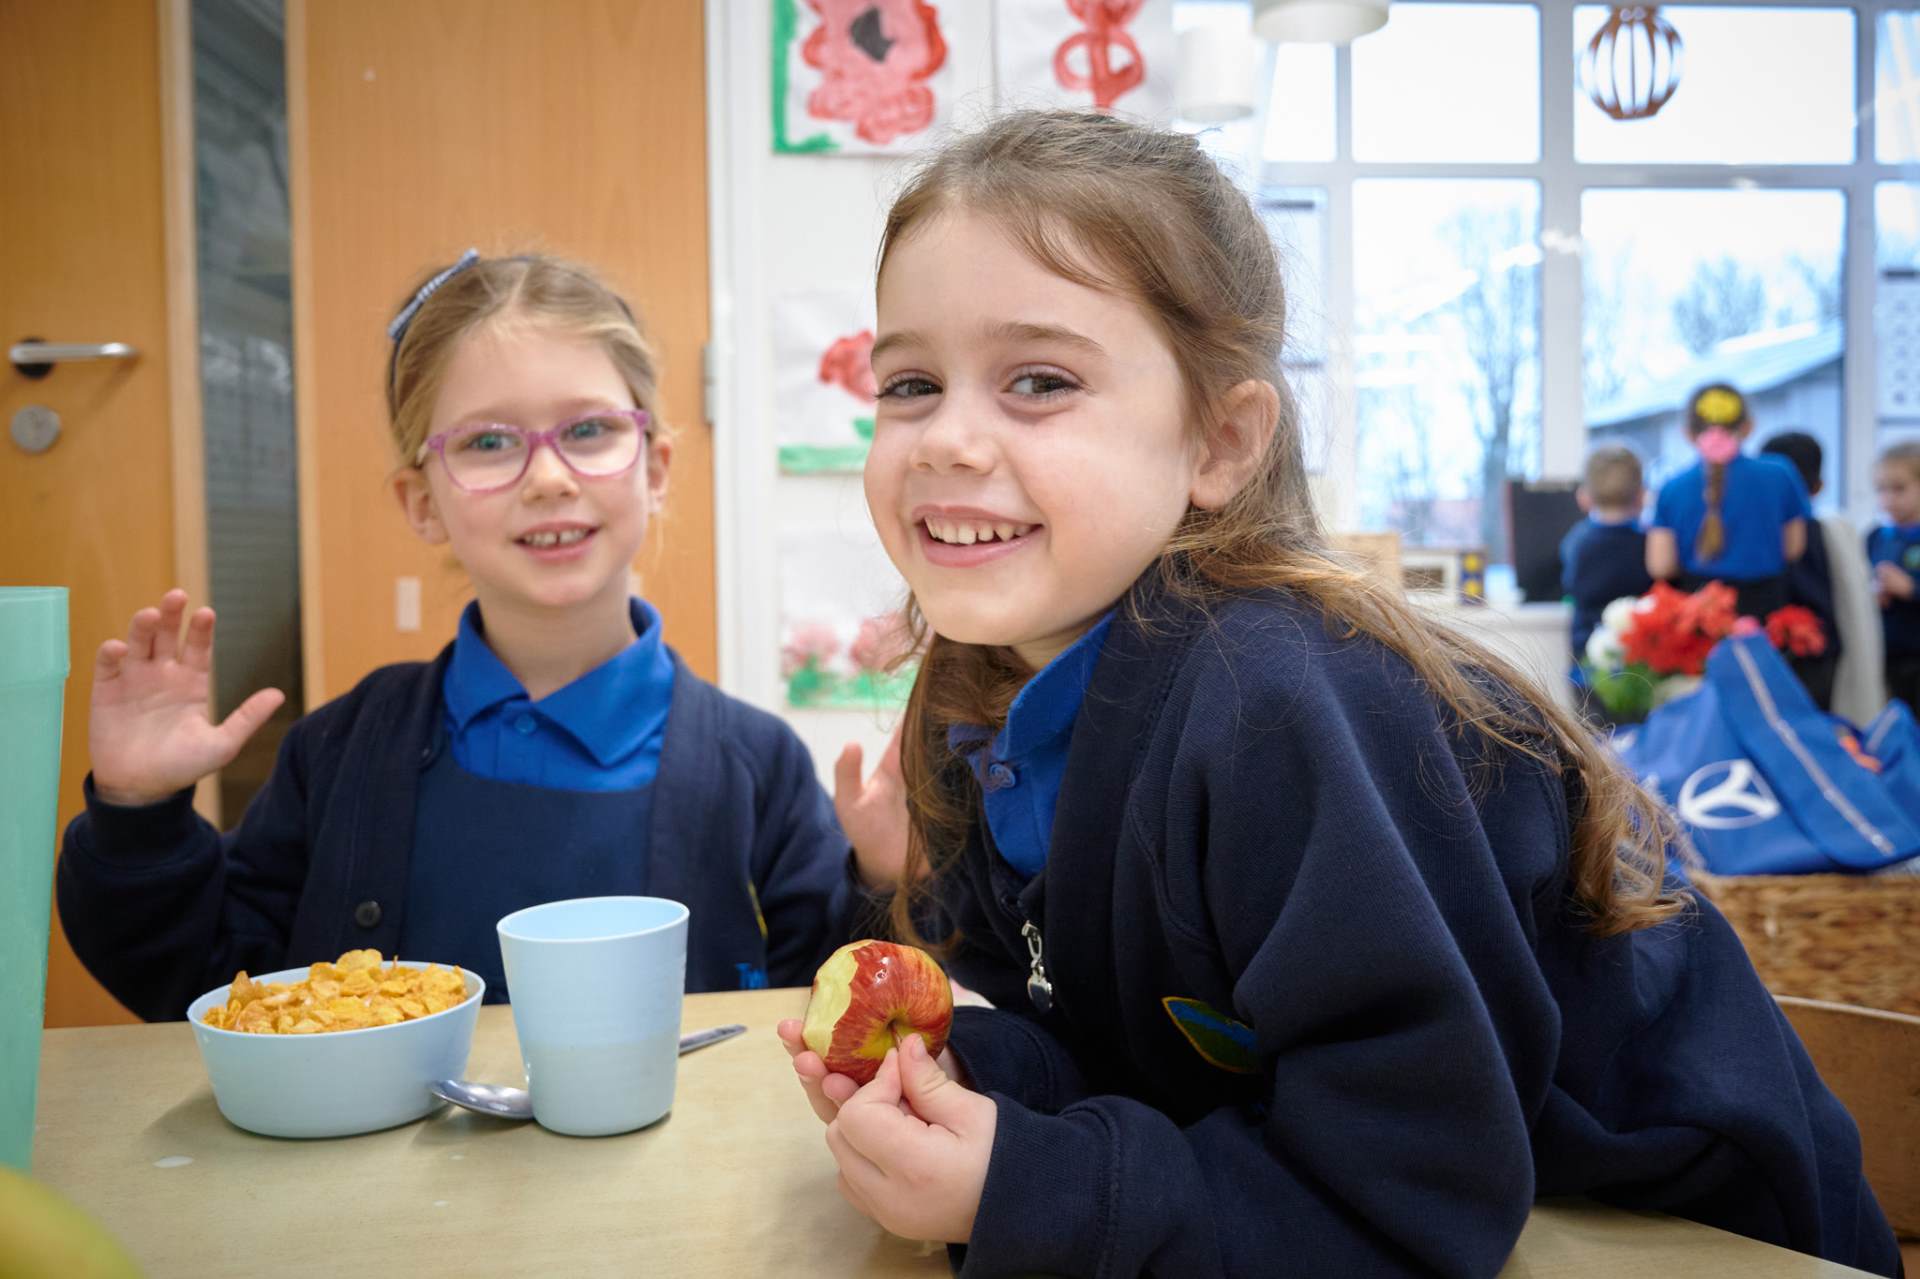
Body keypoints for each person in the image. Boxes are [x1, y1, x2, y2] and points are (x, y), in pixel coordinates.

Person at [774, 112, 1898, 1277]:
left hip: (1683, 1235)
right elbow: (1119, 1051)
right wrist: (976, 1085)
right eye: (911, 383)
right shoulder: (975, 701)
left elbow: (1413, 1186)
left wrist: (1037, 1189)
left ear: (1220, 443)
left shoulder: (1276, 701)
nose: (948, 439)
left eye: (1040, 381)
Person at [56, 251, 906, 1019]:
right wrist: (140, 816)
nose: (548, 477)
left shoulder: (755, 766)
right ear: (422, 502)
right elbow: (205, 982)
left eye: (588, 430)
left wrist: (888, 882)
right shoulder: (341, 753)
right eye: (489, 442)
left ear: (654, 468)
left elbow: (832, 1013)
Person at [1646, 383, 1809, 619]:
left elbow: (1661, 566)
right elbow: (1793, 549)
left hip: (1699, 619)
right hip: (1767, 615)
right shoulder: (1781, 474)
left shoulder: (1672, 488)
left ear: (1688, 433)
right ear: (1748, 427)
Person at [1559, 445, 1651, 661]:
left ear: (1583, 497)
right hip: (1640, 660)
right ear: (1641, 495)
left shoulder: (1576, 542)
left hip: (1587, 656)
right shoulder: (1650, 544)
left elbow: (1569, 585)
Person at [1869, 440, 1920, 716]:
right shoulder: (1876, 537)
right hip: (1888, 655)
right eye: (1881, 489)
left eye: (1899, 489)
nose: (1888, 499)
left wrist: (1911, 589)